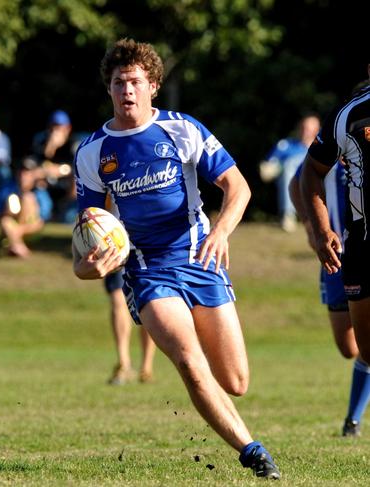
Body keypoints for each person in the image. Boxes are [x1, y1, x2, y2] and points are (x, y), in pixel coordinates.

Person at [72, 38, 280, 479]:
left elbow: (238, 188)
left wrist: (222, 231)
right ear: (108, 90)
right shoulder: (93, 152)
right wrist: (86, 268)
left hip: (200, 257)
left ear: (152, 87)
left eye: (134, 82)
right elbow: (88, 230)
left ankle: (235, 422)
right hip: (147, 270)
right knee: (188, 360)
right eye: (117, 83)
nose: (125, 90)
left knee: (237, 382)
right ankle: (253, 452)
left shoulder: (182, 129)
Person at [301, 64, 370, 388]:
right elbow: (310, 173)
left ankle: (352, 421)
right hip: (358, 247)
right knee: (361, 350)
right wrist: (319, 229)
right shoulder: (348, 118)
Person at [290, 159, 370, 437]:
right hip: (337, 257)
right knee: (350, 347)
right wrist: (311, 227)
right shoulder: (334, 145)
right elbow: (296, 183)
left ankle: (352, 421)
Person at [259, 114, 320, 232]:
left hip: (314, 179)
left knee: (292, 163)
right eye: (303, 128)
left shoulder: (321, 147)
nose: (305, 131)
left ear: (316, 130)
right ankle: (288, 216)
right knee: (288, 168)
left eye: (308, 129)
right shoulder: (286, 145)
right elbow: (267, 168)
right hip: (291, 179)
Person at [24, 110, 78, 222]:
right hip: (44, 187)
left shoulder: (73, 144)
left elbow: (77, 170)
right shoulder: (40, 142)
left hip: (66, 191)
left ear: (68, 128)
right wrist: (50, 148)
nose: (55, 131)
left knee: (69, 218)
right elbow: (31, 166)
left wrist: (60, 170)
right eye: (53, 126)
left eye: (59, 127)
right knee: (42, 206)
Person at [105, 272, 155, 385]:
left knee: (149, 300)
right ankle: (124, 363)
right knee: (117, 298)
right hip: (119, 255)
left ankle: (146, 367)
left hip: (146, 256)